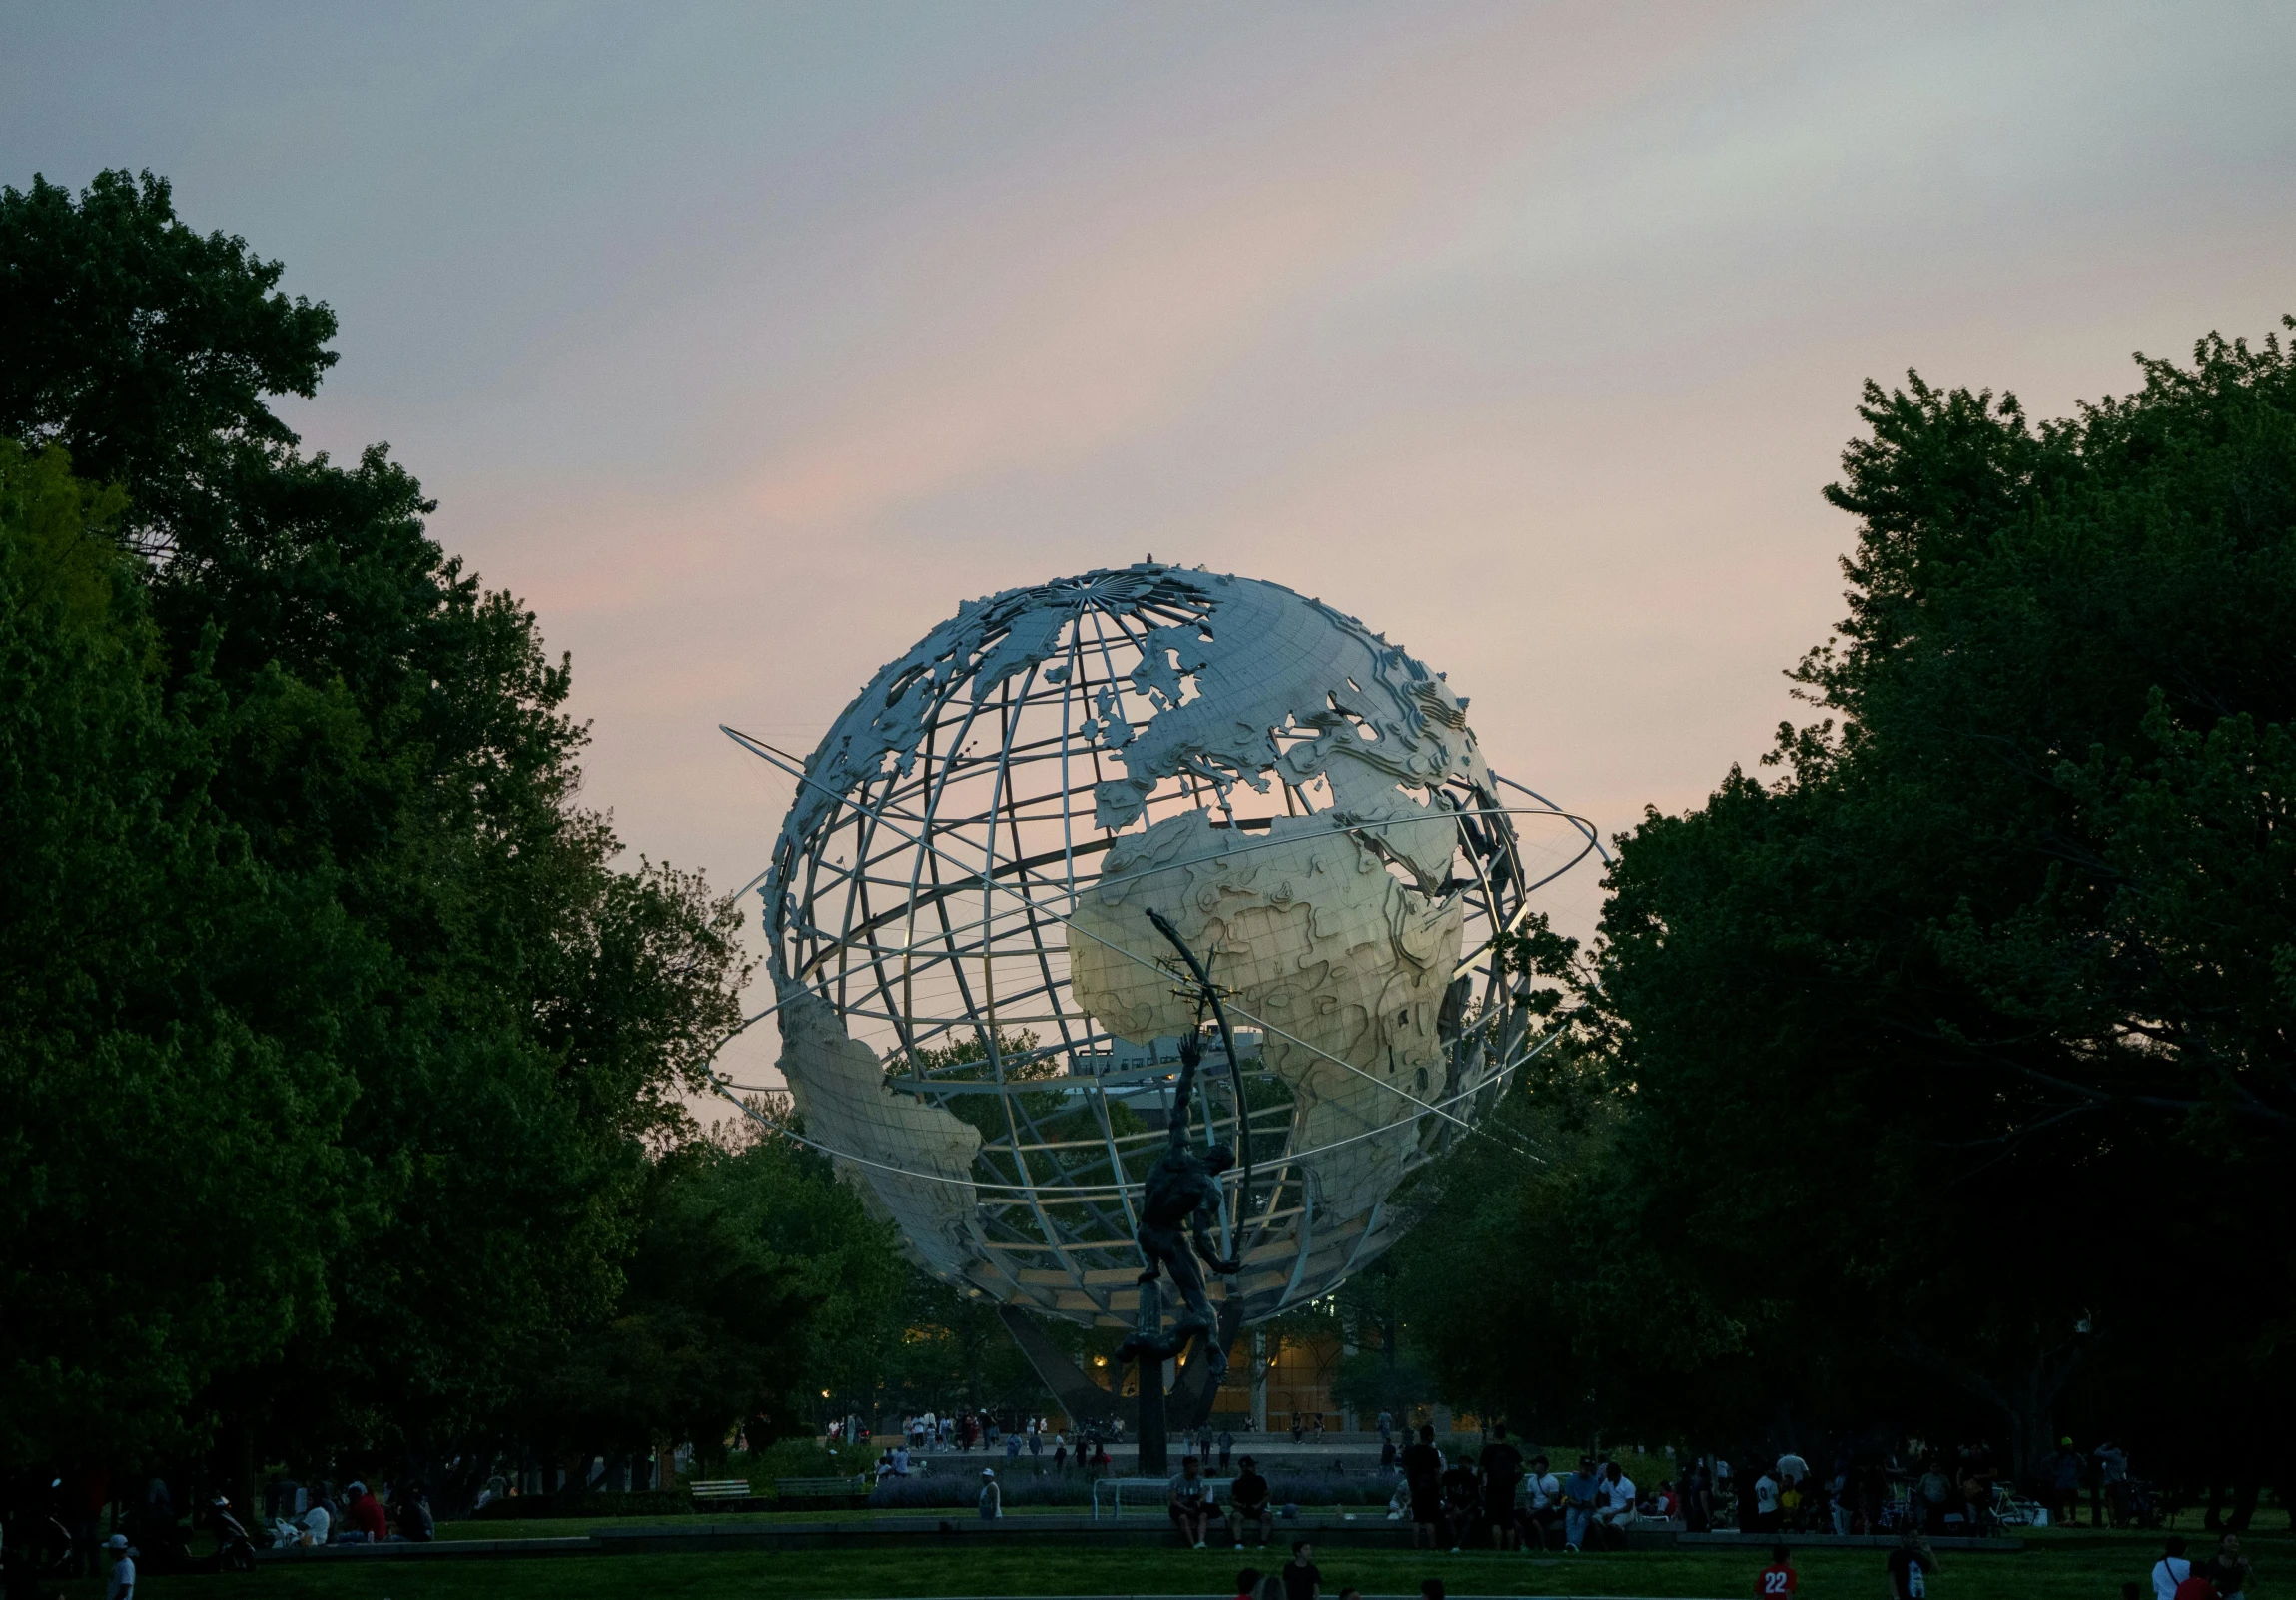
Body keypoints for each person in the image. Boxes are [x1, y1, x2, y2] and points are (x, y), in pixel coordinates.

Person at [1400, 1425, 1444, 1550]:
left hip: (1417, 1488)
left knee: (1417, 1519)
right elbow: (1437, 1472)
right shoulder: (1433, 1452)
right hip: (1431, 1489)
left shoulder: (1412, 1451)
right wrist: (1440, 1487)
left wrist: (1412, 1485)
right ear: (1430, 1436)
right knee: (1430, 1519)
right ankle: (1432, 1545)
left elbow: (1408, 1471)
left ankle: (1416, 1545)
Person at [1481, 1424, 1523, 1550]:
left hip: (1493, 1488)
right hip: (1509, 1488)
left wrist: (1482, 1483)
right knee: (1509, 1521)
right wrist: (1517, 1478)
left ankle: (1497, 1549)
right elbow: (1523, 1466)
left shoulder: (1488, 1450)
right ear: (1505, 1435)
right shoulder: (1511, 1450)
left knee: (1495, 1521)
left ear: (1494, 1434)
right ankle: (1510, 1549)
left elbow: (1482, 1469)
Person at [1228, 1455, 1273, 1549]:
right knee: (1236, 1516)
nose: (1254, 1468)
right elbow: (1232, 1501)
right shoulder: (1237, 1483)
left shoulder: (1260, 1480)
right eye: (1252, 1466)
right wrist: (1241, 1505)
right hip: (1243, 1509)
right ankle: (1238, 1543)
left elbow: (1268, 1495)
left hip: (1258, 1508)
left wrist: (1259, 1504)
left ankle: (1263, 1543)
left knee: (1267, 1517)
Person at [1440, 1451, 1479, 1553]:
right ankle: (1453, 1543)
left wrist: (1464, 1511)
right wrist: (1445, 1502)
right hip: (1452, 1506)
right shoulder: (1450, 1475)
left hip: (1466, 1508)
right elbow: (1439, 1488)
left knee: (1469, 1518)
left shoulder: (1473, 1480)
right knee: (1448, 1518)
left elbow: (1475, 1499)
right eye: (1462, 1463)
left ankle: (1458, 1544)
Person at [1170, 1456, 1213, 1548]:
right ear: (1186, 1467)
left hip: (1193, 1505)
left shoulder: (1199, 1480)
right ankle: (1193, 1544)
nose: (1197, 1469)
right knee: (1183, 1518)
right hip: (1180, 1506)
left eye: (1197, 1466)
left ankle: (1201, 1542)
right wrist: (1186, 1509)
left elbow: (1203, 1496)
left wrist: (1199, 1502)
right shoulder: (1176, 1480)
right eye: (1194, 1466)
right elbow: (1174, 1500)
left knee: (1204, 1515)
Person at [1522, 1453, 1562, 1552]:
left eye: (1535, 1464)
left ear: (1542, 1465)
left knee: (1535, 1520)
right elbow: (1529, 1497)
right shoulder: (1531, 1480)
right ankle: (1524, 1545)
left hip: (1548, 1510)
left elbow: (1550, 1502)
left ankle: (1543, 1546)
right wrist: (1528, 1508)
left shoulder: (1552, 1481)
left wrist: (1535, 1511)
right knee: (1517, 1517)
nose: (1533, 1466)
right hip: (1534, 1508)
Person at [1595, 1461, 1637, 1549]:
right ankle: (1604, 1547)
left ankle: (1625, 1546)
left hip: (1626, 1511)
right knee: (1595, 1519)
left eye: (1608, 1474)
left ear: (1614, 1474)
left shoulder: (1628, 1485)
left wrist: (1613, 1514)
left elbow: (1629, 1507)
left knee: (1612, 1525)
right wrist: (1603, 1507)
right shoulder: (1608, 1481)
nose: (1606, 1476)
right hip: (1612, 1508)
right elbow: (1601, 1493)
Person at [1887, 1527, 1937, 1600]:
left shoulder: (1918, 1556)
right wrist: (1895, 1596)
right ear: (1903, 1537)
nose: (1915, 1540)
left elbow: (1935, 1570)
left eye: (1917, 1537)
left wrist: (1930, 1553)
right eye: (1912, 1537)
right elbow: (1892, 1576)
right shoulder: (1896, 1555)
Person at [1561, 1456, 1599, 1553]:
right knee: (1570, 1517)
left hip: (1587, 1507)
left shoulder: (1594, 1481)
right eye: (1585, 1467)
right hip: (1575, 1505)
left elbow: (1592, 1500)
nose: (1586, 1469)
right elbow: (1569, 1498)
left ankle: (1574, 1544)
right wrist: (1578, 1504)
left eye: (1588, 1467)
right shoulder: (1571, 1479)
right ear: (1580, 1466)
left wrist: (1588, 1505)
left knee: (1582, 1519)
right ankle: (1571, 1543)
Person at [2047, 1437, 2084, 1528]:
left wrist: (2078, 1475)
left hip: (2072, 1484)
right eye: (2068, 1445)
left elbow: (2084, 1465)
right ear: (2063, 1446)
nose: (2070, 1447)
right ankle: (2060, 1520)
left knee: (2073, 1504)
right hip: (2061, 1484)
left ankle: (2073, 1520)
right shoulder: (2058, 1455)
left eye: (2071, 1445)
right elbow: (2047, 1462)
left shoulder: (2076, 1456)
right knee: (2060, 1503)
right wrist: (2055, 1473)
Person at [2212, 1533, 2252, 1600]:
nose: (2234, 1543)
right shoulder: (2214, 1561)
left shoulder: (2241, 1563)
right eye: (2230, 1541)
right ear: (2222, 1544)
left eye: (2236, 1541)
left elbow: (2251, 1582)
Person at [102, 1534, 135, 1600]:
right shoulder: (119, 1563)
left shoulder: (126, 1566)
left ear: (117, 1550)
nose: (109, 1551)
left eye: (110, 1549)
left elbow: (124, 1591)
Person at [1751, 1465, 1781, 1533]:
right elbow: (1777, 1498)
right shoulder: (1772, 1483)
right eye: (1772, 1470)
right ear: (1767, 1471)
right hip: (1772, 1510)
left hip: (1761, 1510)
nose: (1774, 1472)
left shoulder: (1758, 1483)